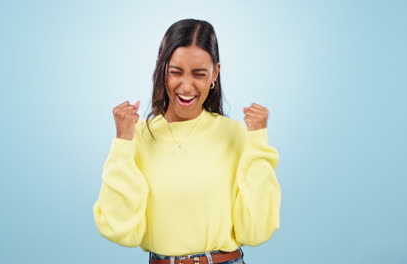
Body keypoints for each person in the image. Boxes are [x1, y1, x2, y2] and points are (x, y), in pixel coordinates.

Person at [92, 18, 281, 264]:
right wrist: (122, 142)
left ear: (214, 74)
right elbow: (120, 230)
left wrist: (257, 142)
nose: (186, 86)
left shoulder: (235, 135)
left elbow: (256, 230)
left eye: (199, 74)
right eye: (176, 72)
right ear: (163, 71)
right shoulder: (136, 136)